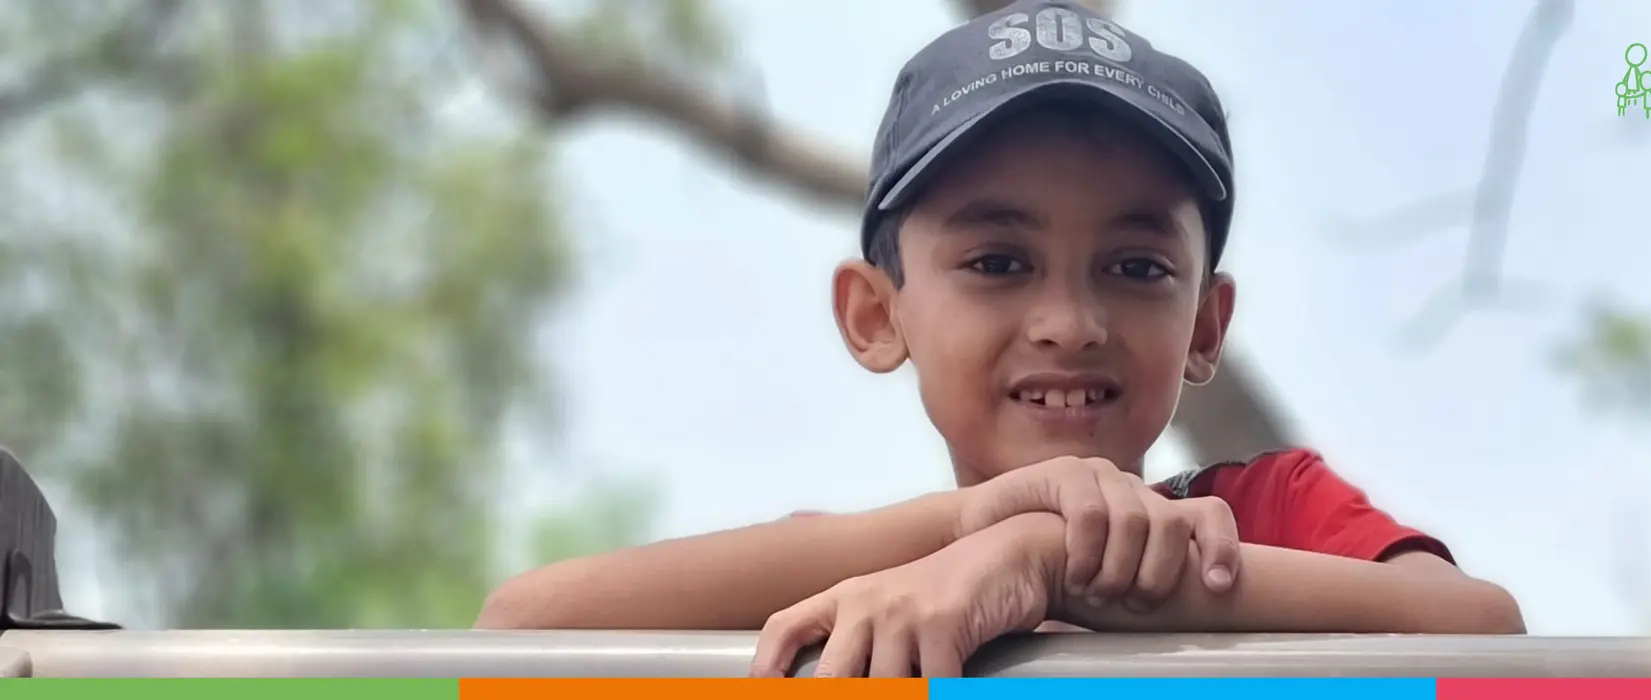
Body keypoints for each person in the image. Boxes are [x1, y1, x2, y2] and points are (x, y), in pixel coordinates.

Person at [474, 0, 1525, 676]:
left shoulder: (1272, 514)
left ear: (1206, 325)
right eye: (997, 263)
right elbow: (522, 631)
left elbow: (1484, 634)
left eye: (1137, 266)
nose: (1070, 322)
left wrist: (1052, 564)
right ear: (875, 314)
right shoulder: (852, 588)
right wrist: (978, 524)